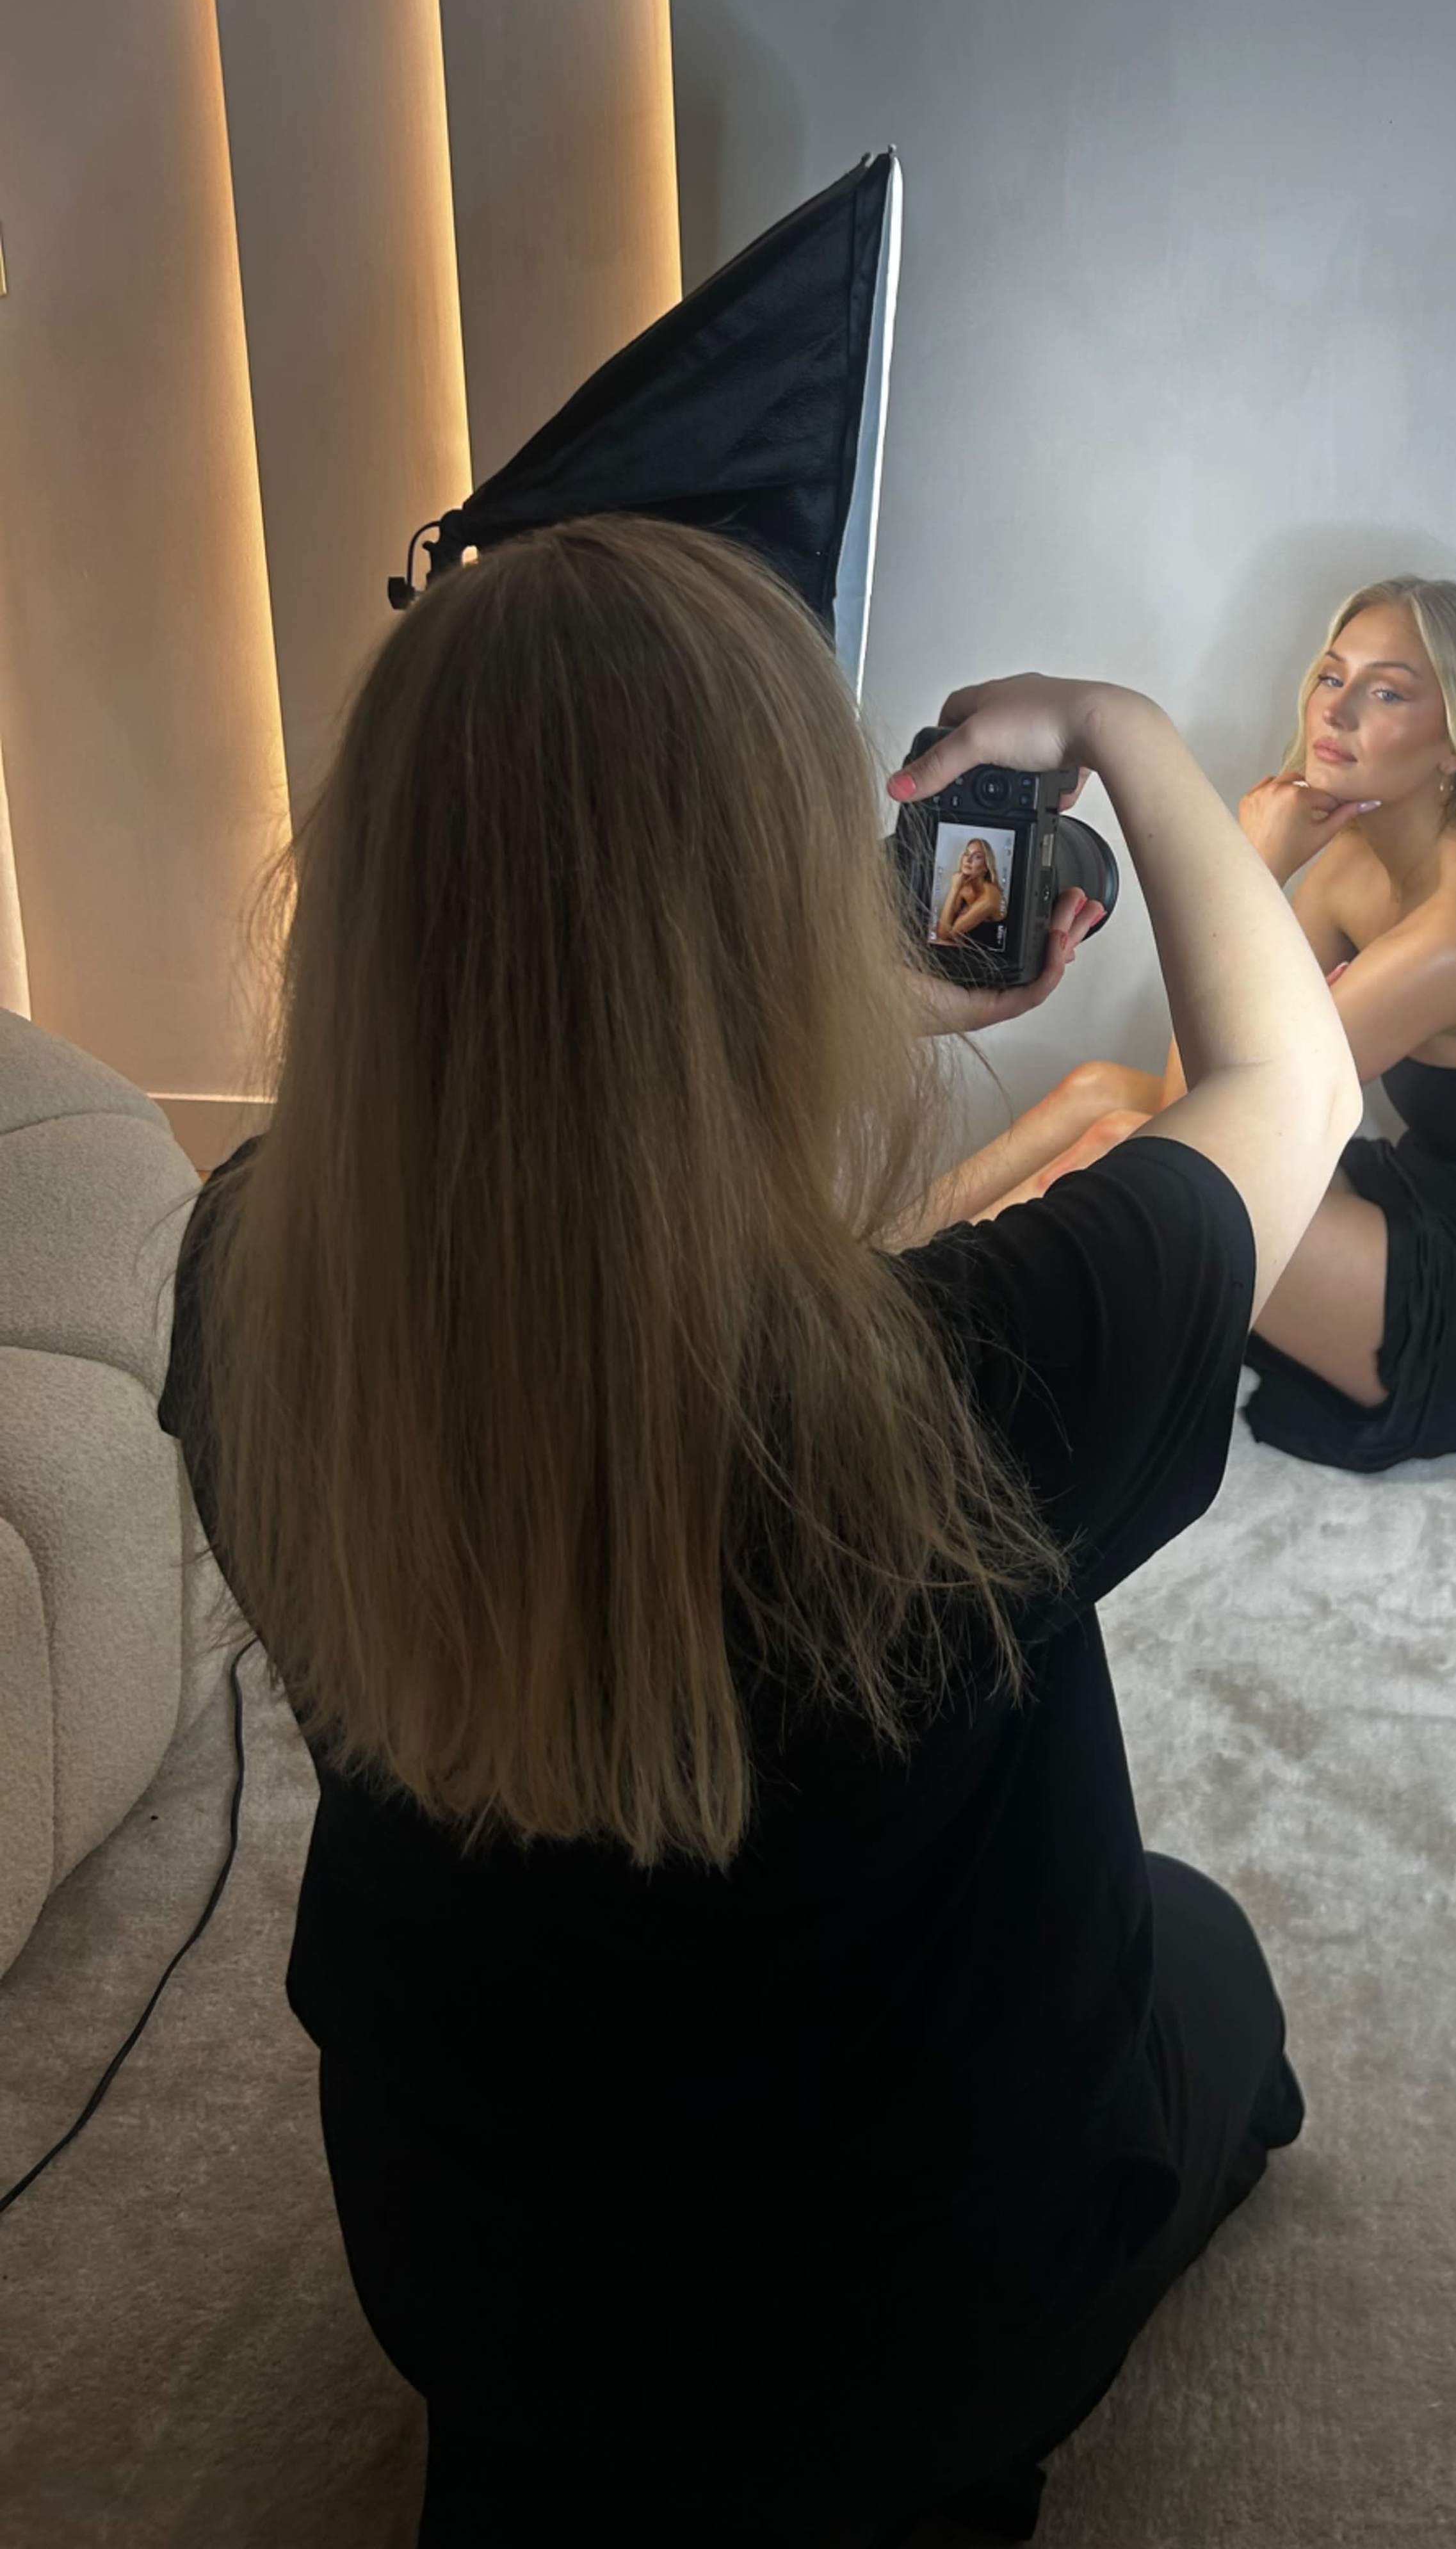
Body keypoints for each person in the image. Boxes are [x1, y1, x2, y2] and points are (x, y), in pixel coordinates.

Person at [156, 517, 1359, 2546]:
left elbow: (545, 1127)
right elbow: (1288, 1077)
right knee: (1205, 1957)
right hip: (902, 2338)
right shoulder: (971, 1372)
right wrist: (1121, 726)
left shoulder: (251, 1279)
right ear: (785, 923)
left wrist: (745, 1002)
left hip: (483, 2284)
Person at [946, 578, 1456, 1471]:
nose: (1341, 710)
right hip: (1426, 1205)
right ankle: (869, 1266)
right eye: (1332, 677)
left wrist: (1252, 862)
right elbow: (1214, 1094)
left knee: (1129, 1143)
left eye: (1388, 692)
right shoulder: (1356, 862)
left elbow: (1196, 1125)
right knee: (1098, 1092)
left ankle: (912, 1352)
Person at [934, 833, 1007, 948]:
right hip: (971, 948)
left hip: (992, 955)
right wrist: (956, 889)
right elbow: (942, 929)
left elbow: (945, 934)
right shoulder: (964, 887)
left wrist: (954, 889)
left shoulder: (991, 896)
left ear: (986, 866)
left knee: (939, 942)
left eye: (977, 857)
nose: (968, 860)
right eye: (967, 854)